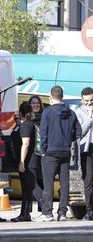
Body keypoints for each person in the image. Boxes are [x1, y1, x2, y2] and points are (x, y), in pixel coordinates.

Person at [33, 86, 82, 222]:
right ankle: (62, 213)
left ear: (50, 96)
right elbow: (78, 131)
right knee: (64, 184)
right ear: (62, 96)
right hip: (65, 151)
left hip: (50, 152)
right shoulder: (71, 113)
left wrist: (43, 150)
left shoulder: (47, 112)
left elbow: (43, 133)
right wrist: (67, 140)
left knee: (48, 183)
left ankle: (48, 212)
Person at [11, 102, 36, 222]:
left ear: (20, 113)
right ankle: (24, 213)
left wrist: (22, 161)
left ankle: (25, 214)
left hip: (28, 162)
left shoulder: (26, 125)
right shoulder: (25, 124)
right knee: (25, 188)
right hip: (28, 161)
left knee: (27, 188)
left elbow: (25, 144)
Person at [75, 87, 93, 220]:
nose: (89, 103)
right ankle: (89, 209)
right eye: (87, 101)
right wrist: (90, 116)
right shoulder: (78, 112)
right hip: (86, 149)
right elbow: (80, 132)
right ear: (82, 100)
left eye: (92, 100)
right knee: (88, 180)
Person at [28, 95, 44, 212]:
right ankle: (43, 207)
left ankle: (43, 205)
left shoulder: (45, 116)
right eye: (33, 103)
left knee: (38, 180)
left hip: (43, 152)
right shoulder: (27, 119)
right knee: (34, 179)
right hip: (33, 152)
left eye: (37, 102)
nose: (35, 104)